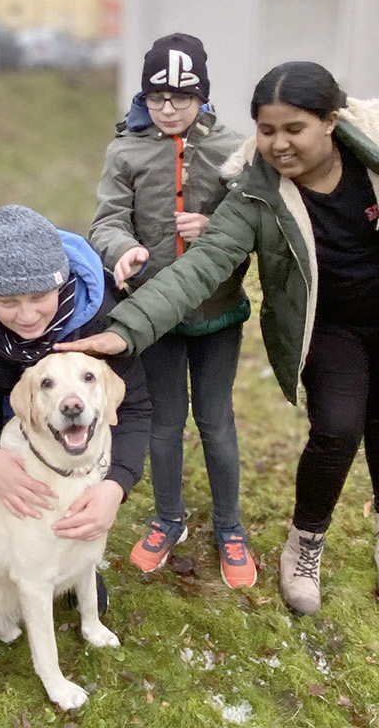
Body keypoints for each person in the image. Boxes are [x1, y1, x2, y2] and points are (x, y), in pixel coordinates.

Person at [58, 61, 379, 615]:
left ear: (330, 121)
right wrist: (126, 331)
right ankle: (304, 544)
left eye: (293, 129)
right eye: (266, 130)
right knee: (335, 428)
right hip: (325, 323)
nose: (278, 144)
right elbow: (203, 267)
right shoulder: (255, 191)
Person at [89, 34, 255, 587]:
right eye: (158, 96)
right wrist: (122, 248)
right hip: (153, 316)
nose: (168, 108)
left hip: (218, 310)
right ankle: (167, 517)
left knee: (215, 421)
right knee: (164, 423)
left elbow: (254, 219)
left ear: (202, 96)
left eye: (182, 97)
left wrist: (215, 228)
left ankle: (230, 527)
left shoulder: (235, 148)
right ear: (145, 95)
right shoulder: (126, 150)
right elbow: (107, 220)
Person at [0, 205, 152, 608]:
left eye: (40, 297)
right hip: (14, 409)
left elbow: (136, 406)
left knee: (81, 480)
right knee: (17, 494)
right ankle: (27, 555)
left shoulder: (106, 312)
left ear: (62, 282)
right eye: (7, 303)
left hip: (80, 421)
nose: (26, 316)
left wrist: (116, 486)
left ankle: (76, 559)